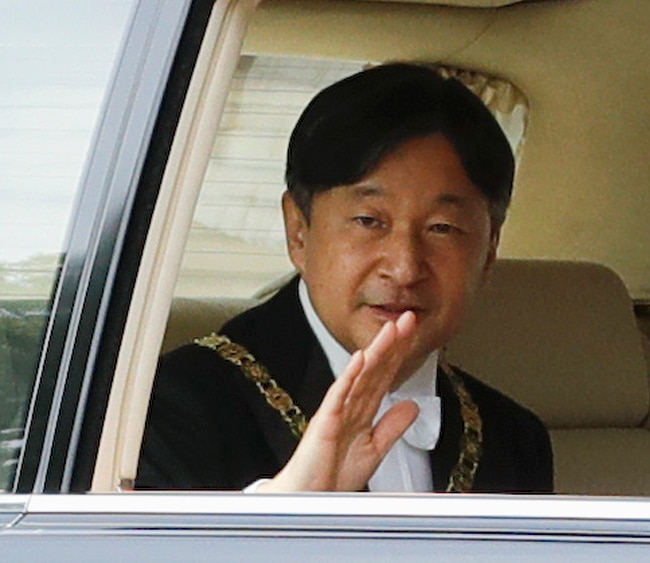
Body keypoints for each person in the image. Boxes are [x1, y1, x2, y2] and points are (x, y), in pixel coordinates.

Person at [137, 63, 553, 493]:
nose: (405, 267)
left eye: (442, 228)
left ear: (489, 251)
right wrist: (284, 510)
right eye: (369, 220)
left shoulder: (515, 439)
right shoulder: (172, 405)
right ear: (299, 231)